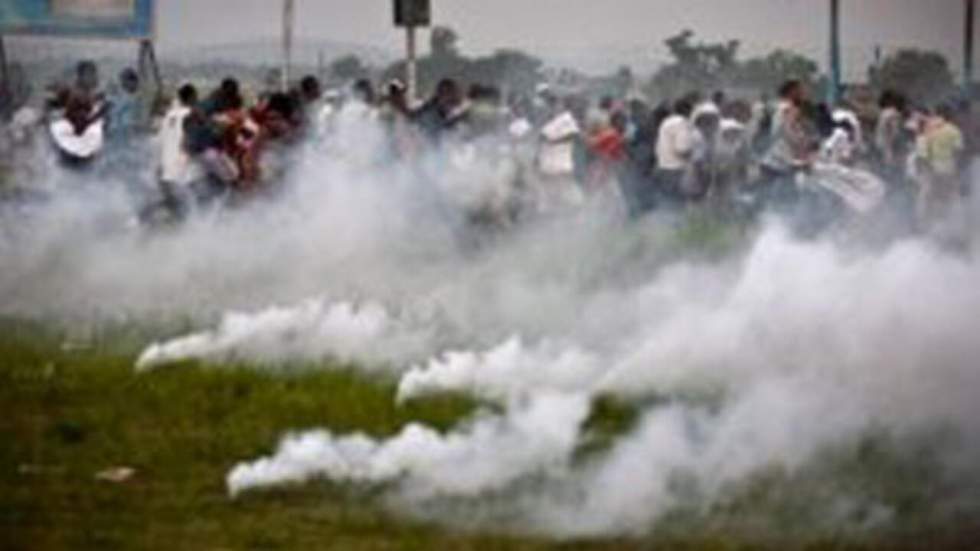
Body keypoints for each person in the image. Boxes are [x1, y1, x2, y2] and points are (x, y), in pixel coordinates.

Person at [760, 80, 812, 207]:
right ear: (792, 92)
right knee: (787, 198)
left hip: (772, 157)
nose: (803, 94)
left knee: (770, 195)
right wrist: (801, 146)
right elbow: (788, 130)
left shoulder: (777, 106)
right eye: (800, 90)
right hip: (783, 159)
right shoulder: (790, 108)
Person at [916, 104, 964, 228]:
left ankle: (929, 230)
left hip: (931, 170)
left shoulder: (928, 129)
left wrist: (924, 170)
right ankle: (947, 228)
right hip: (948, 170)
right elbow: (958, 153)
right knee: (948, 200)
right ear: (950, 115)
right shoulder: (954, 130)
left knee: (929, 201)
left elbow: (922, 154)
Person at [654, 98, 695, 207]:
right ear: (688, 111)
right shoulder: (682, 123)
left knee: (667, 203)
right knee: (677, 205)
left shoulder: (666, 121)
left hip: (663, 167)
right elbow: (681, 149)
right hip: (676, 171)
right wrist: (693, 155)